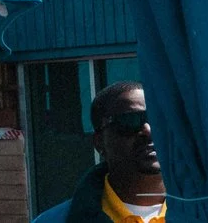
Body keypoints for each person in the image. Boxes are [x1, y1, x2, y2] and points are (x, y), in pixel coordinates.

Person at [32, 81, 164, 223]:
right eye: (130, 120)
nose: (148, 131)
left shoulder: (190, 211)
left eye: (158, 119)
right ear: (99, 142)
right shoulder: (55, 220)